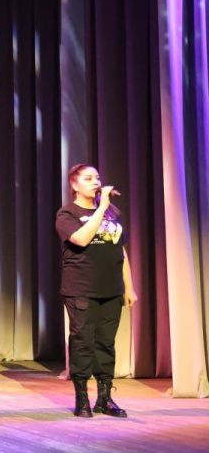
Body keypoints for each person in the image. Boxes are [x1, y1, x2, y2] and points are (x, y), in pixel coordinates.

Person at [56, 164, 137, 418]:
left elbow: (120, 251)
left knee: (106, 343)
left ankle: (105, 398)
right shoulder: (67, 213)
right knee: (83, 342)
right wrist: (101, 208)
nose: (96, 182)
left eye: (97, 178)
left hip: (111, 289)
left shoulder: (112, 214)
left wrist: (129, 287)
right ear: (74, 185)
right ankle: (82, 398)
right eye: (88, 178)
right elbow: (80, 239)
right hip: (81, 288)